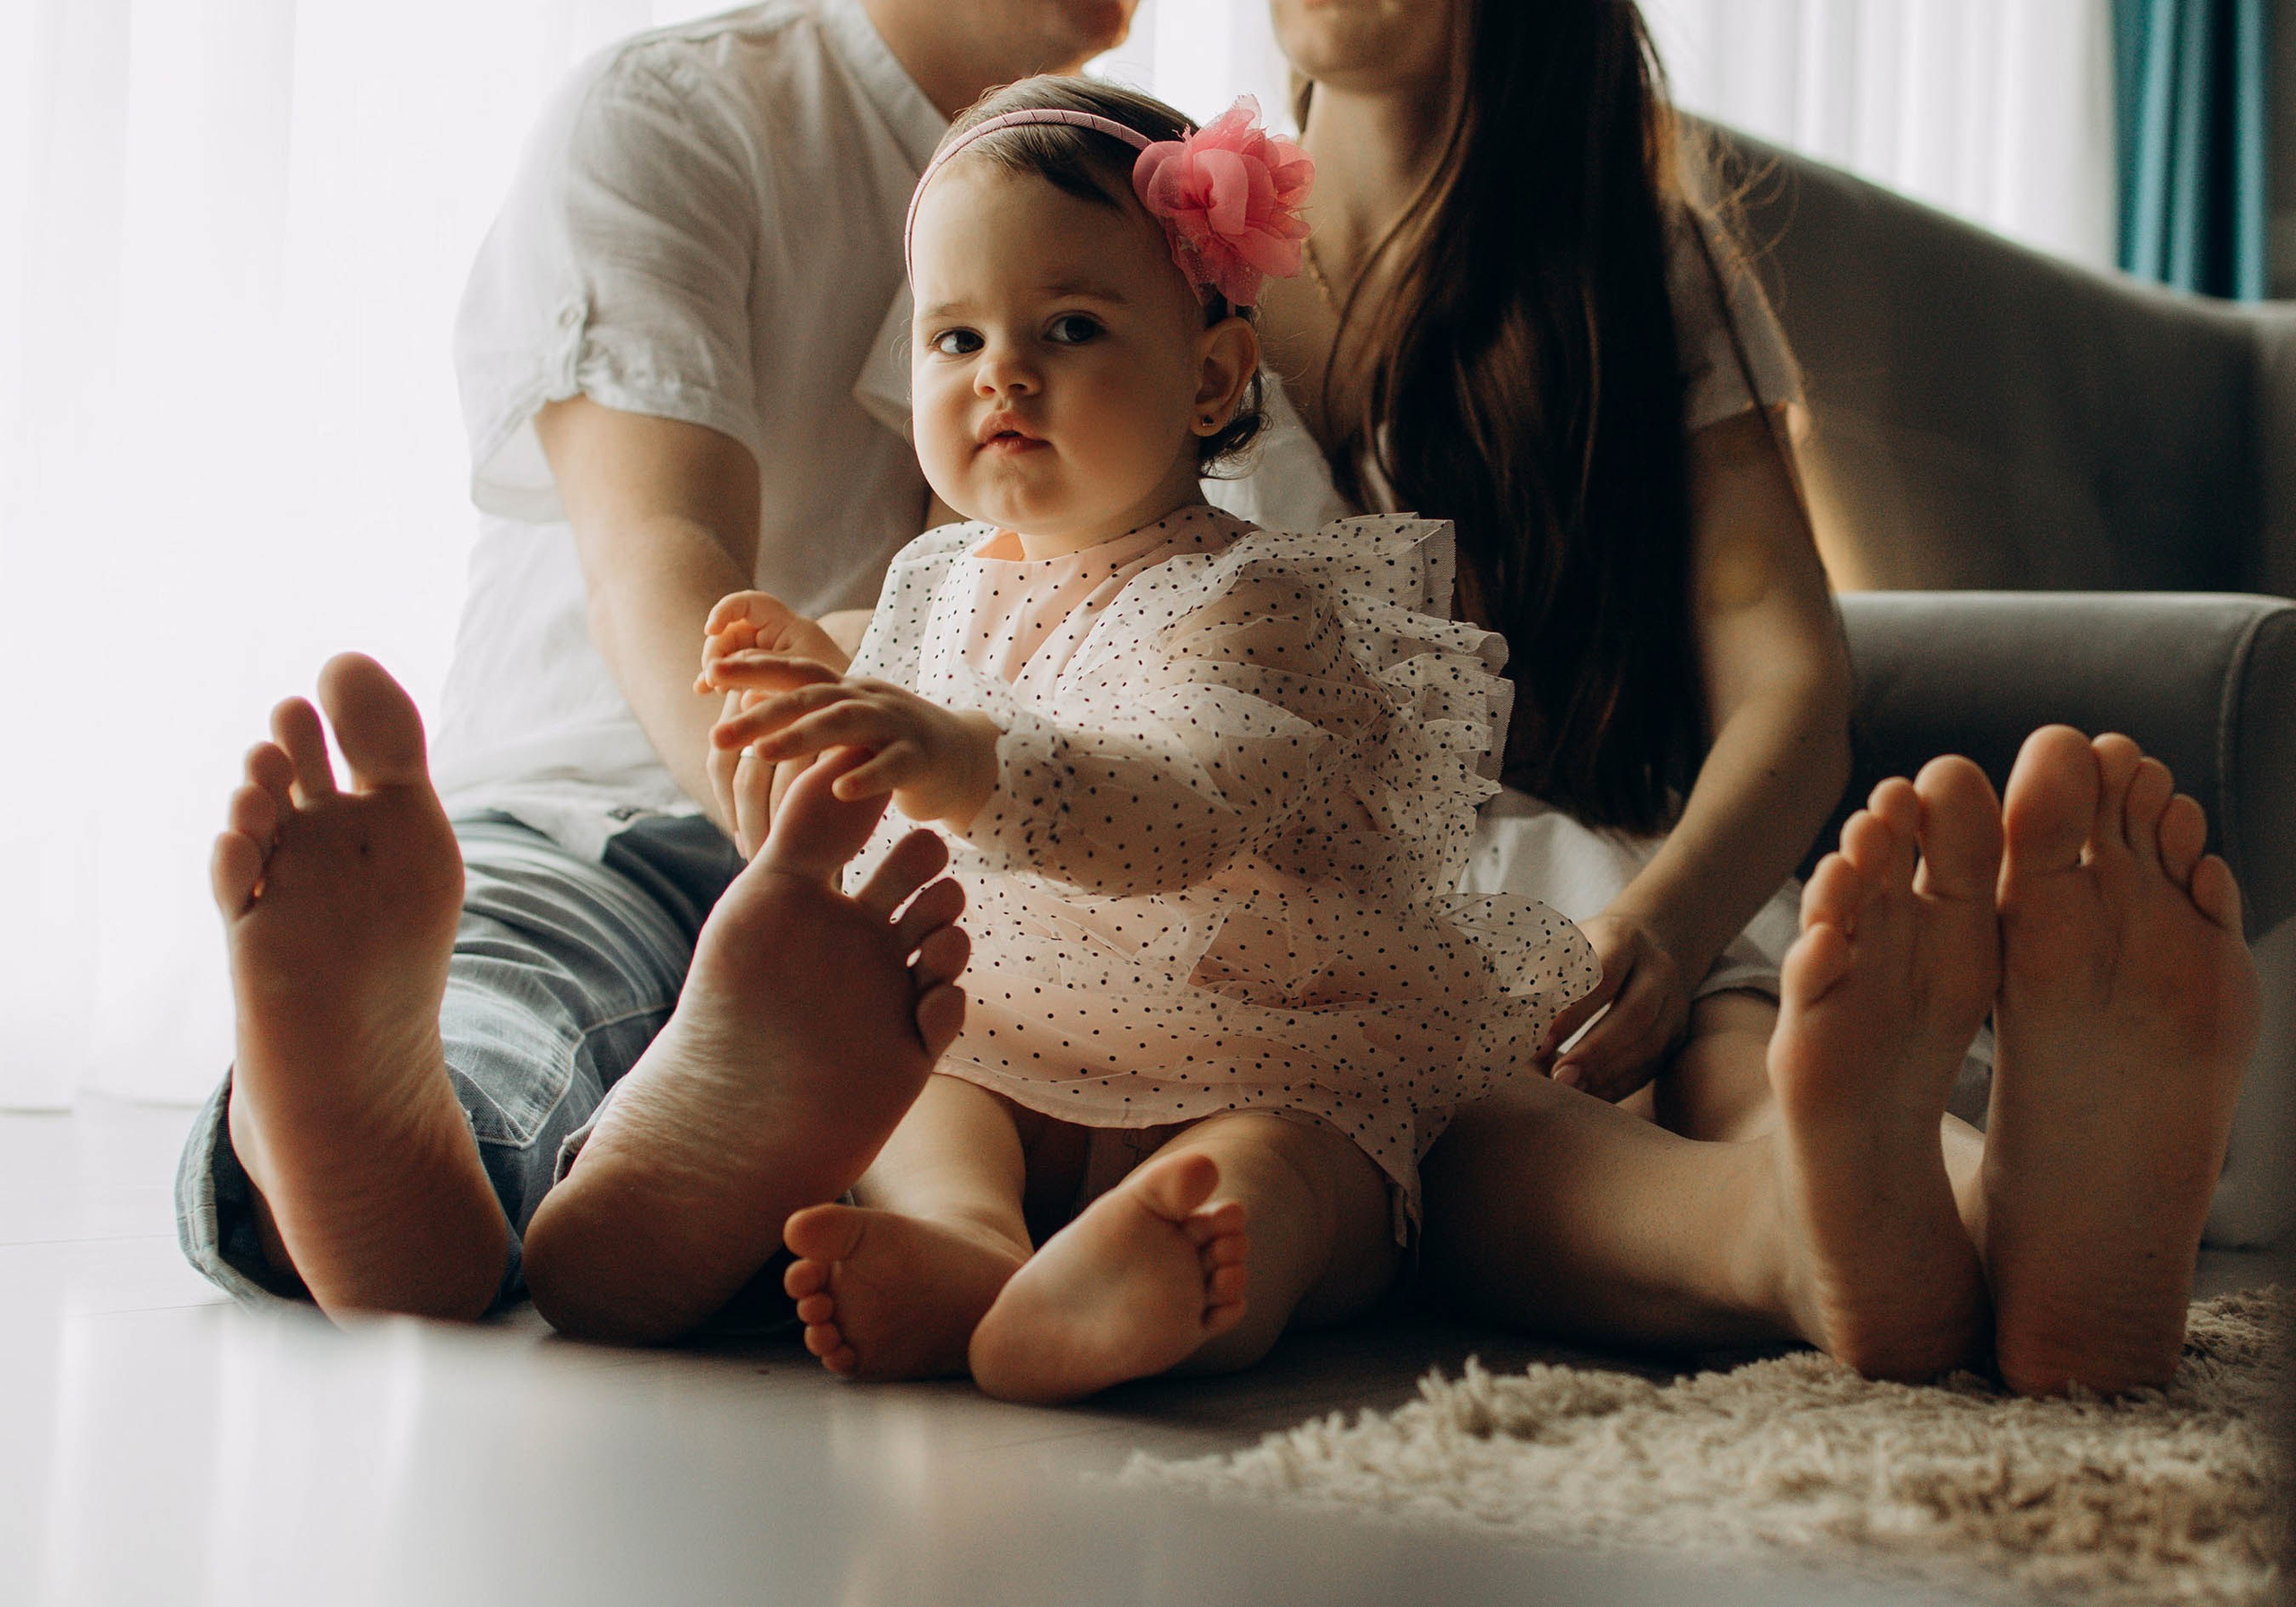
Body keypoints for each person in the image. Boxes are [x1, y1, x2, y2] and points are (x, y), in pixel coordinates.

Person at [1204, 0, 2259, 1394]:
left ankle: (2026, 1205)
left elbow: (1790, 683)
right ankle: (1855, 1246)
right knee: (1445, 1092)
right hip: (1319, 905)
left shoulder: (1638, 273)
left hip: (1619, 861)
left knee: (1745, 1057)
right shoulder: (1172, 247)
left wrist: (1667, 918)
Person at [176, 0, 1143, 1342]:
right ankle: (392, 1140)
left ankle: (666, 1184)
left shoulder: (1146, 205)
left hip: (942, 897)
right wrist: (807, 839)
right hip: (624, 812)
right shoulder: (681, 111)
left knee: (1056, 1084)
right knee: (520, 999)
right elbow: (662, 555)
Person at [641, 79, 1600, 1401]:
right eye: (954, 338)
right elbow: (900, 677)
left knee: (1285, 1168)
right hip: (1001, 1041)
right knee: (915, 1096)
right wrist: (813, 669)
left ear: (1210, 377)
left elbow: (1171, 806)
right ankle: (968, 1244)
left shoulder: (1258, 609)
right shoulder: (939, 580)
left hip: (1251, 1058)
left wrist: (957, 754)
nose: (1001, 375)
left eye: (1071, 327)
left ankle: (1184, 1277)